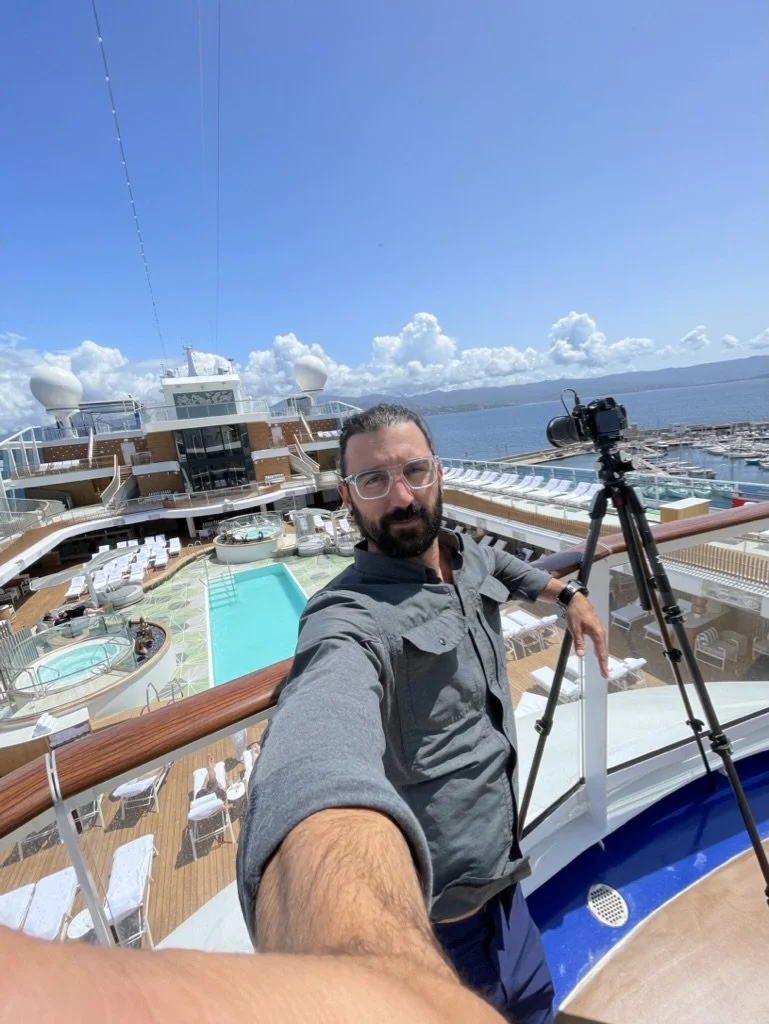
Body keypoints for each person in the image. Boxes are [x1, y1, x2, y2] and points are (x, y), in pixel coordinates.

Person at [237, 404, 608, 1023]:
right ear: (348, 500)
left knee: (538, 1006)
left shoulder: (467, 558)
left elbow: (510, 567)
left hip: (505, 881)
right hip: (439, 926)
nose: (402, 496)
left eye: (414, 471)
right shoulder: (347, 616)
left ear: (439, 473)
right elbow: (318, 726)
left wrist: (569, 594)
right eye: (375, 481)